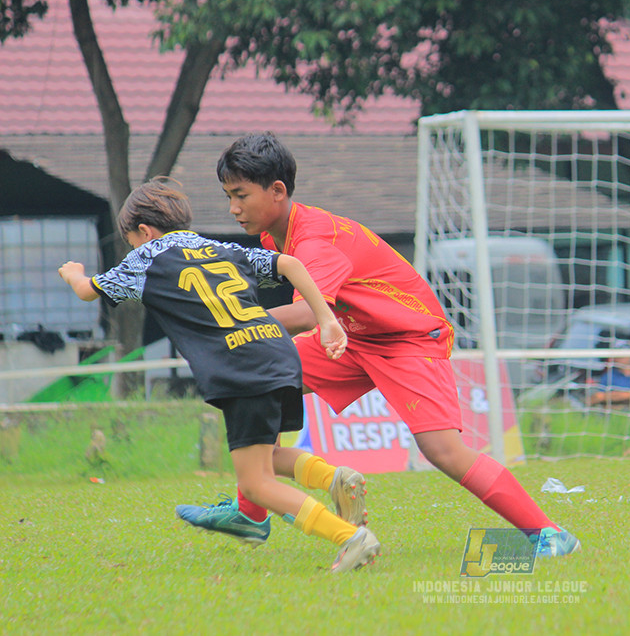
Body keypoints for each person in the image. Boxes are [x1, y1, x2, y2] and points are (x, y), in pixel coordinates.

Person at [179, 132, 580, 557]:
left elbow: (307, 314)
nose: (233, 208)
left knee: (443, 450)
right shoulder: (275, 236)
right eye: (228, 196)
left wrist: (229, 326)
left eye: (241, 195)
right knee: (258, 378)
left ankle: (549, 534)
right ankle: (252, 511)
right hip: (354, 335)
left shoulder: (314, 241)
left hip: (407, 337)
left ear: (277, 191)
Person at [58, 178, 381, 572]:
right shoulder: (220, 248)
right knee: (266, 456)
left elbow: (87, 290)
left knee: (255, 484)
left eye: (132, 241)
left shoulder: (146, 259)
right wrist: (327, 320)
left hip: (241, 368)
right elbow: (291, 264)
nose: (133, 249)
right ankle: (335, 479)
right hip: (278, 352)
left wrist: (73, 272)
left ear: (144, 231)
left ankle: (350, 538)